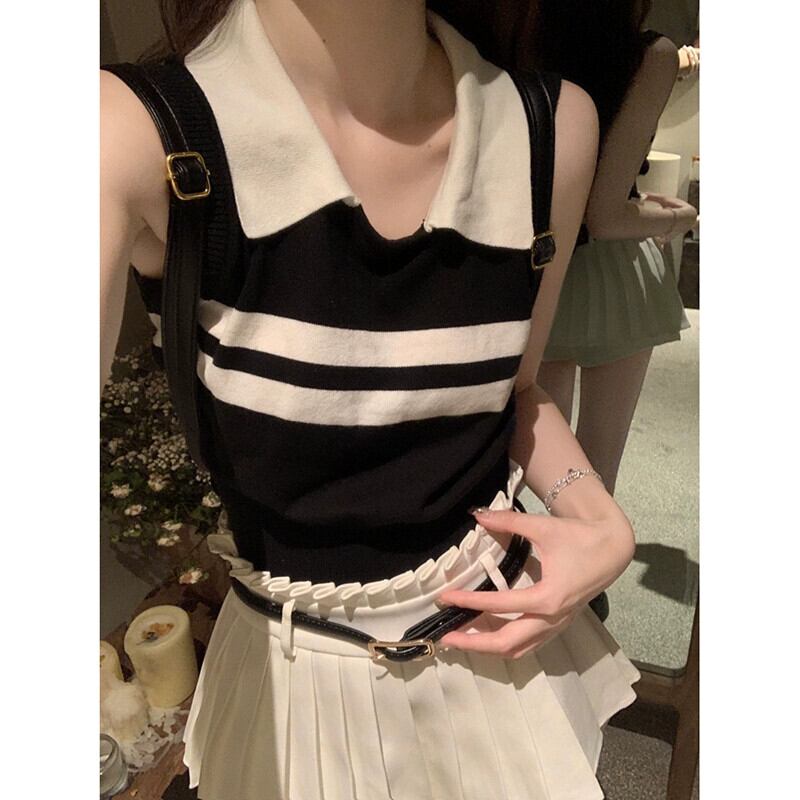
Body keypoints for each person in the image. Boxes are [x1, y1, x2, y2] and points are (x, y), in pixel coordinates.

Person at [100, 1, 641, 798]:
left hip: (503, 653)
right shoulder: (133, 132)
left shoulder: (550, 127)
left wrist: (596, 514)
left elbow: (514, 391)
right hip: (292, 687)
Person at [530, 0, 699, 495]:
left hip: (539, 264)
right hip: (616, 277)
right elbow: (605, 215)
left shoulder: (524, 35)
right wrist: (681, 216)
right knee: (597, 475)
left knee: (535, 475)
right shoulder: (651, 54)